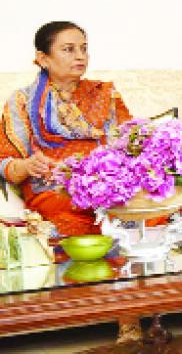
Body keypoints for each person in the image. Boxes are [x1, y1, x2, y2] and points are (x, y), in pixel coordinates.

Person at [0, 21, 132, 236]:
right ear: (43, 58)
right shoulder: (22, 101)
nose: (80, 56)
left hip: (109, 187)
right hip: (55, 192)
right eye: (69, 49)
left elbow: (129, 145)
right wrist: (27, 166)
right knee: (70, 219)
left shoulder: (106, 94)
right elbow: (4, 163)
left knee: (151, 208)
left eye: (84, 49)